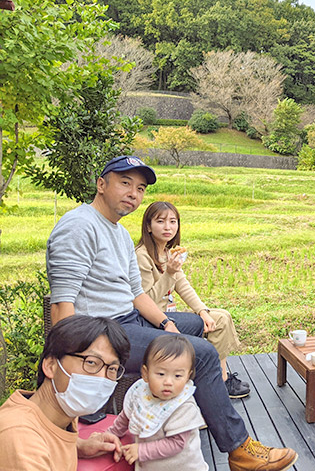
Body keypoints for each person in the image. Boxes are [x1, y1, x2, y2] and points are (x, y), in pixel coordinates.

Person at [46, 155, 298, 471]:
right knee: (203, 354)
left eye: (139, 188)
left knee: (193, 325)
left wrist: (167, 323)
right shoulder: (79, 226)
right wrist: (68, 364)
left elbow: (136, 295)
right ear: (101, 184)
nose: (133, 194)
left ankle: (182, 407)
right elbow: (61, 303)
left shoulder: (119, 233)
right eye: (125, 183)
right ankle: (239, 450)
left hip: (128, 318)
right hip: (102, 332)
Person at [136, 201, 249, 399]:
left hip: (169, 314)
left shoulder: (168, 253)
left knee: (219, 316)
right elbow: (146, 300)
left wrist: (202, 310)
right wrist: (169, 273)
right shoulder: (142, 256)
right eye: (160, 221)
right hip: (151, 319)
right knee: (221, 321)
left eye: (173, 221)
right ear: (148, 226)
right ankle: (219, 382)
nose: (167, 227)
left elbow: (183, 285)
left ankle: (216, 378)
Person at [0, 315, 131, 470]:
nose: (102, 377)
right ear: (51, 366)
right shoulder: (19, 435)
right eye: (91, 362)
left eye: (112, 369)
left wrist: (80, 446)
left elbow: (48, 435)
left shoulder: (63, 414)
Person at [107, 335, 208, 470]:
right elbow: (127, 415)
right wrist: (112, 433)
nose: (168, 382)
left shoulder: (183, 406)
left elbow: (177, 443)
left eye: (178, 376)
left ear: (188, 376)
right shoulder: (140, 392)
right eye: (161, 374)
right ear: (145, 373)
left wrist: (141, 451)